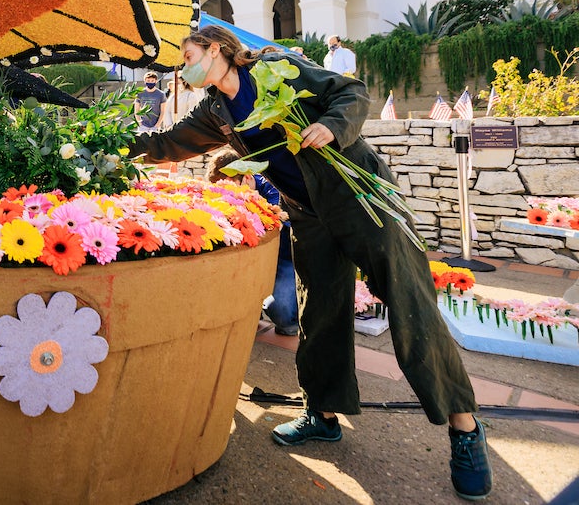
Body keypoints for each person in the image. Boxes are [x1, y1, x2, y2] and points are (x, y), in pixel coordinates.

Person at [129, 25, 492, 501]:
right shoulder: (215, 110)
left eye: (187, 52)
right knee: (319, 312)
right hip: (307, 213)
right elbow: (169, 144)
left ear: (215, 48)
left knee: (410, 305)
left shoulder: (279, 68)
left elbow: (351, 91)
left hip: (360, 197)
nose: (184, 63)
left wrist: (333, 126)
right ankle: (322, 414)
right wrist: (112, 147)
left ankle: (465, 428)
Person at [206, 148, 297, 335]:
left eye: (232, 188)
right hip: (250, 259)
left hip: (284, 257)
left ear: (247, 177)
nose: (228, 195)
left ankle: (276, 304)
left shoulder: (274, 188)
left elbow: (282, 222)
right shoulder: (224, 192)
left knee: (284, 318)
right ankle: (253, 307)